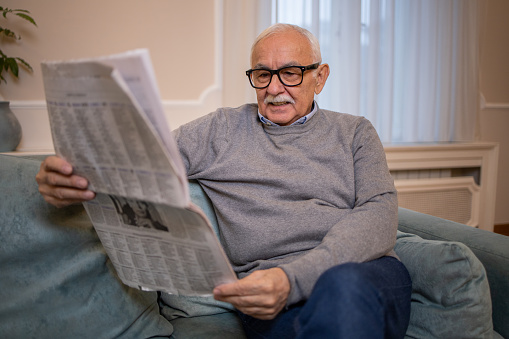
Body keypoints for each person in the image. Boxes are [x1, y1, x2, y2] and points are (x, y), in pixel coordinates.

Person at [36, 23, 412, 338]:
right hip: (265, 293)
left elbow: (379, 213)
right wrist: (70, 178)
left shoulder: (355, 132)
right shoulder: (219, 130)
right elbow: (139, 167)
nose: (275, 87)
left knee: (342, 289)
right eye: (263, 74)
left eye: (291, 72)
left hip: (361, 273)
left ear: (320, 76)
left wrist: (293, 278)